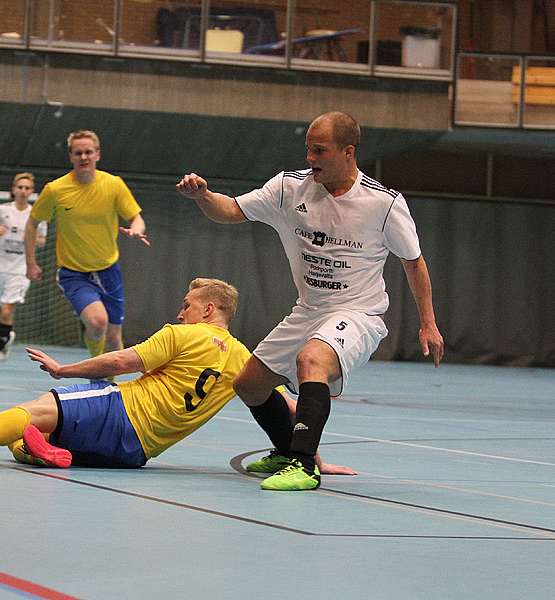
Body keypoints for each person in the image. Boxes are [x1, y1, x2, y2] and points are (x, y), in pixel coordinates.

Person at [176, 111, 444, 491]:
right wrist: (203, 196)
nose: (310, 158)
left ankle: (304, 466)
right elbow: (231, 210)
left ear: (348, 152)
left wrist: (428, 323)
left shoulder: (383, 204)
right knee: (250, 385)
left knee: (310, 360)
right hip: (309, 310)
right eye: (308, 149)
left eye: (320, 150)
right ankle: (287, 451)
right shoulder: (289, 188)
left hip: (359, 313)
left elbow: (413, 262)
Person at [0, 278, 354, 473]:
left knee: (30, 410)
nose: (180, 311)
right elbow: (287, 409)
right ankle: (45, 452)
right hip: (136, 453)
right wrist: (310, 455)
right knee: (26, 441)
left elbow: (119, 363)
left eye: (187, 305)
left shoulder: (183, 334)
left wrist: (64, 369)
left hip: (123, 412)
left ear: (208, 310)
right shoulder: (244, 361)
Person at [24, 130, 149, 362]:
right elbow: (32, 224)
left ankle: (107, 385)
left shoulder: (113, 185)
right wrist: (31, 263)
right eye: (78, 153)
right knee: (97, 323)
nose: (84, 157)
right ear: (71, 156)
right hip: (73, 273)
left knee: (113, 341)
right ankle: (96, 372)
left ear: (97, 155)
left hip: (108, 270)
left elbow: (136, 217)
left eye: (88, 152)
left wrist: (136, 229)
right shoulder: (55, 190)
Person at [0, 172, 47, 369]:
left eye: (27, 188)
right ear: (14, 190)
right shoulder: (0, 210)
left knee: (8, 311)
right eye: (20, 188)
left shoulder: (36, 215)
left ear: (31, 192)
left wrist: (30, 238)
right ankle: (6, 336)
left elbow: (42, 240)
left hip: (20, 267)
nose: (23, 191)